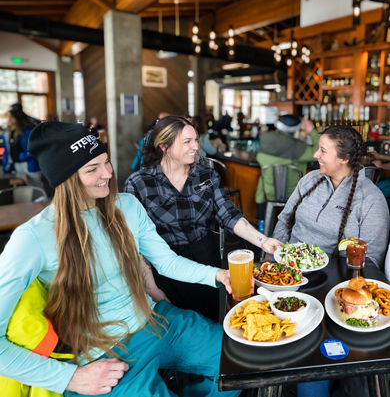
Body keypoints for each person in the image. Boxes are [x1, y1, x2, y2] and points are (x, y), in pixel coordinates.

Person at [0, 121, 240, 397]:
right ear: (64, 179)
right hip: (101, 356)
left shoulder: (127, 205)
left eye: (106, 162)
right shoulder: (32, 238)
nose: (108, 174)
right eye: (92, 169)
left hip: (155, 320)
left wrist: (218, 275)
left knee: (241, 361)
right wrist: (70, 378)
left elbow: (167, 262)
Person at [124, 115, 282, 320]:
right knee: (175, 326)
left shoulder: (205, 173)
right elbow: (135, 247)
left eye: (196, 140)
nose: (195, 147)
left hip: (206, 259)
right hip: (164, 268)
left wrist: (263, 241)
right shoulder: (139, 184)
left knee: (210, 320)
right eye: (187, 142)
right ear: (164, 146)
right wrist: (152, 289)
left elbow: (228, 213)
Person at [273, 125, 389, 268]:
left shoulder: (371, 199)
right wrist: (273, 258)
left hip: (333, 278)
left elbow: (371, 258)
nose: (316, 155)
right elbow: (284, 220)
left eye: (323, 150)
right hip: (287, 269)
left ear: (344, 159)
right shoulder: (309, 180)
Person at [255, 114, 320, 222]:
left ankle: (262, 228)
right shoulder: (298, 147)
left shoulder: (265, 139)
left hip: (267, 194)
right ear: (297, 129)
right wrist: (312, 130)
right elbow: (319, 151)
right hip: (293, 196)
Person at [1, 108, 41, 183]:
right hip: (17, 165)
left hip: (29, 165)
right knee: (22, 189)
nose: (8, 120)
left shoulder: (28, 131)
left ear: (16, 118)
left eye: (10, 117)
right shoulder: (11, 132)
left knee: (35, 189)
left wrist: (22, 156)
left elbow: (34, 149)